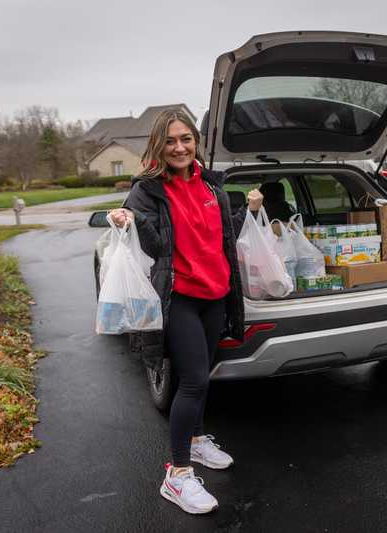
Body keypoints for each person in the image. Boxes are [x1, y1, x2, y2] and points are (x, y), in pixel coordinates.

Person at [107, 110, 262, 515]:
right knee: (192, 380)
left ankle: (195, 440)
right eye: (171, 141)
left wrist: (248, 207)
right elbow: (155, 245)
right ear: (159, 145)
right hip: (179, 298)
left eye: (186, 139)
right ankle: (177, 475)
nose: (180, 147)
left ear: (197, 142)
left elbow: (223, 232)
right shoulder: (148, 190)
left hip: (216, 294)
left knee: (203, 374)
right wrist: (127, 219)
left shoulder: (213, 185)